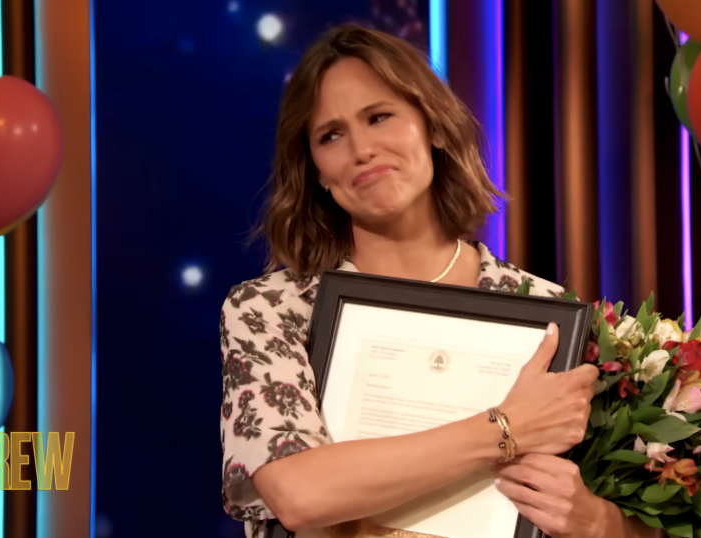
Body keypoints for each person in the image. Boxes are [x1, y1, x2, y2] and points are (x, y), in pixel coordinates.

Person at [220, 25, 659, 538]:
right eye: (330, 135)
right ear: (316, 169)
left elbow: (649, 516)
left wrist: (597, 521)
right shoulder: (269, 310)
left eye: (379, 117)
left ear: (431, 126)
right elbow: (299, 496)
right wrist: (508, 427)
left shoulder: (546, 311)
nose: (361, 148)